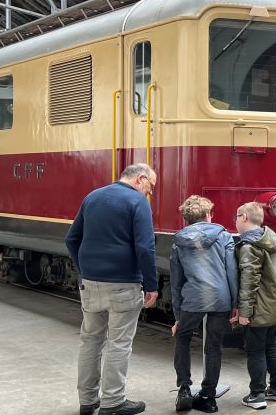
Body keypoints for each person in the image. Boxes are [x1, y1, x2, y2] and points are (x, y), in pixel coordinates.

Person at [66, 163, 159, 415]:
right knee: (119, 344)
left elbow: (71, 239)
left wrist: (84, 269)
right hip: (124, 284)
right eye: (149, 187)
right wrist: (152, 284)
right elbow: (145, 247)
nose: (148, 193)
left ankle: (87, 401)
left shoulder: (93, 197)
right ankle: (113, 402)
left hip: (90, 283)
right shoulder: (137, 202)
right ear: (140, 179)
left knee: (90, 341)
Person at [170, 195, 238, 413]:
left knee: (183, 338)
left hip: (192, 299)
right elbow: (231, 272)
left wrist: (178, 315)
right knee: (214, 347)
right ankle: (208, 397)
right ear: (208, 214)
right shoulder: (224, 236)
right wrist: (235, 302)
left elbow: (176, 280)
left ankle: (184, 389)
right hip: (221, 299)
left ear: (187, 218)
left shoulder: (178, 242)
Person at [233, 202, 276, 409]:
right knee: (271, 345)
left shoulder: (250, 246)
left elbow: (249, 281)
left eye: (236, 217)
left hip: (260, 306)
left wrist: (245, 312)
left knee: (255, 350)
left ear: (244, 218)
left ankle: (257, 394)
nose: (235, 221)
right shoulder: (272, 238)